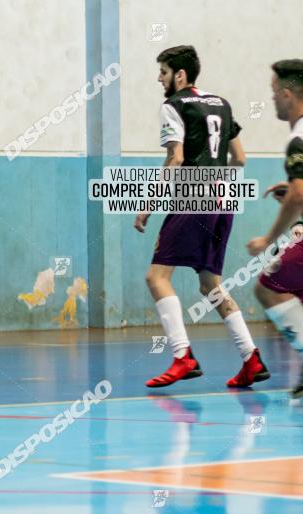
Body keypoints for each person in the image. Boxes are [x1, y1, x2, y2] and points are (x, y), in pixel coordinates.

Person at [135, 45, 268, 388]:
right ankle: (251, 358)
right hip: (224, 200)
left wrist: (147, 205)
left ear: (180, 75)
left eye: (163, 72)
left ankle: (183, 357)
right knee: (210, 284)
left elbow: (176, 158)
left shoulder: (174, 105)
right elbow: (240, 158)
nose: (159, 78)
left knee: (157, 278)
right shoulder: (221, 104)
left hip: (193, 197)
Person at [247, 59, 303, 399]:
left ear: (287, 94)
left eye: (273, 95)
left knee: (268, 287)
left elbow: (298, 196)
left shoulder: (298, 139)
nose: (272, 102)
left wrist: (269, 238)